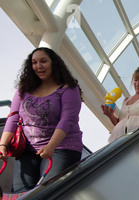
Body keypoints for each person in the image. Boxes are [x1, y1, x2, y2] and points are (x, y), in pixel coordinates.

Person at [0, 47, 84, 192]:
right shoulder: (24, 89)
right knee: (21, 195)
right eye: (34, 62)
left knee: (47, 192)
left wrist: (51, 146)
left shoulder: (68, 88)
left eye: (43, 61)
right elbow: (13, 116)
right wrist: (3, 145)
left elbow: (68, 119)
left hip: (61, 147)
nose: (38, 66)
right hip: (28, 148)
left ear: (53, 63)